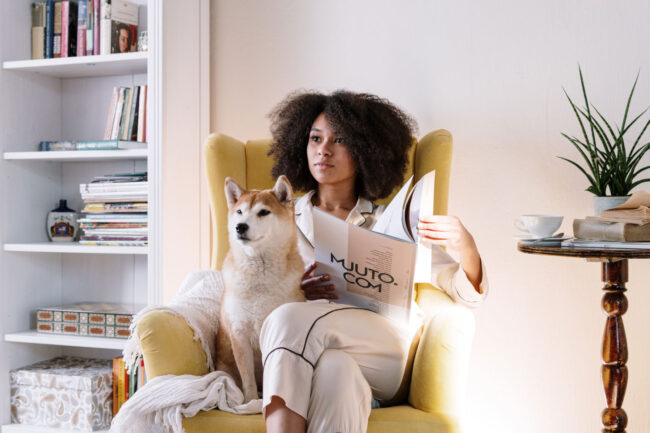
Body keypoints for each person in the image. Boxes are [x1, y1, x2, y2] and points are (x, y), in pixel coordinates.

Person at [261, 90, 488, 433]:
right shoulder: (279, 219)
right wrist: (296, 290)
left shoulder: (391, 221)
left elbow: (466, 294)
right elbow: (252, 293)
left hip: (384, 350)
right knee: (336, 372)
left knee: (287, 318)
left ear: (364, 151)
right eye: (315, 138)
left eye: (339, 140)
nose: (324, 149)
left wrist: (466, 246)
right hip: (316, 354)